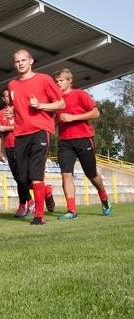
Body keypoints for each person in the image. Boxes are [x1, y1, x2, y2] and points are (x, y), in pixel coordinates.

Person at [7, 49, 64, 225]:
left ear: (31, 61)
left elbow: (61, 103)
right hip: (20, 134)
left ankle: (39, 215)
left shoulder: (44, 79)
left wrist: (40, 105)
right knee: (22, 178)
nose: (21, 63)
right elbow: (18, 107)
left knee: (36, 175)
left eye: (24, 60)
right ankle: (46, 191)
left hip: (40, 130)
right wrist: (12, 111)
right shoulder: (12, 85)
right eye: (17, 61)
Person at [53, 68, 112, 219]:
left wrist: (73, 118)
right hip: (65, 142)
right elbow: (54, 118)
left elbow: (96, 113)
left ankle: (104, 198)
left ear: (69, 81)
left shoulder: (80, 94)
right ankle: (72, 211)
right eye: (57, 81)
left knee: (91, 175)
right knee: (66, 174)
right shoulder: (56, 100)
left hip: (83, 139)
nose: (58, 83)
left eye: (61, 80)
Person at [0, 89, 34, 218]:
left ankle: (29, 203)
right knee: (18, 178)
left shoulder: (20, 111)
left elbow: (27, 125)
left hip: (23, 146)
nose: (8, 98)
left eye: (10, 96)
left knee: (24, 178)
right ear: (3, 99)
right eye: (6, 96)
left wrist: (8, 128)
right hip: (10, 148)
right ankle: (25, 204)